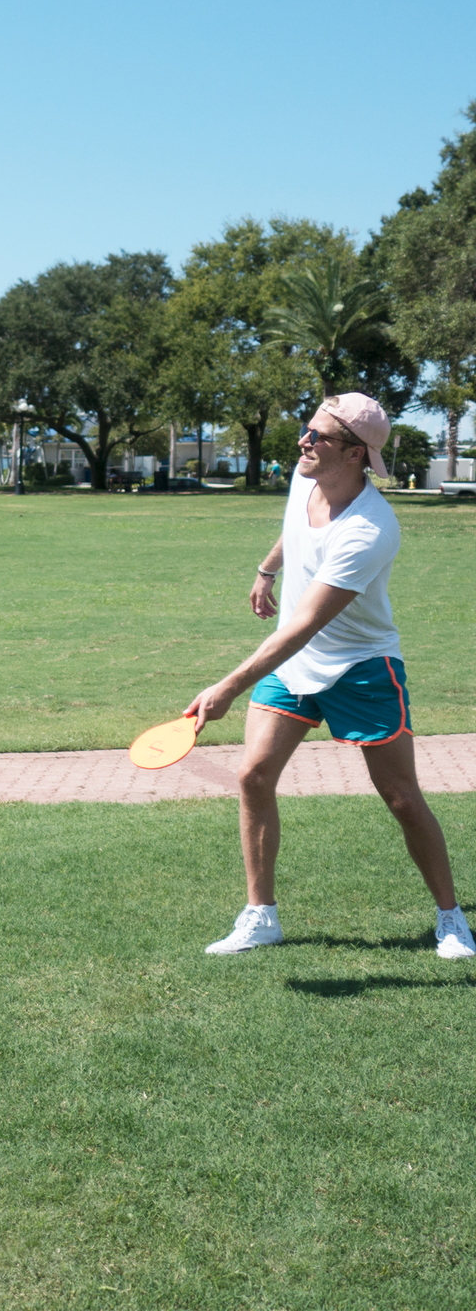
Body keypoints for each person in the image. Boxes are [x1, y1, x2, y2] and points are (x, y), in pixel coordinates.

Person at [185, 393, 475, 959]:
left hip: (360, 666)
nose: (304, 441)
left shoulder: (370, 530)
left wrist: (225, 688)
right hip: (292, 666)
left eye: (317, 436)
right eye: (306, 429)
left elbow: (304, 627)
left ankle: (451, 919)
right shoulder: (306, 478)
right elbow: (295, 531)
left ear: (355, 454)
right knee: (253, 777)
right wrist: (268, 569)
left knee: (400, 797)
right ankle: (260, 915)